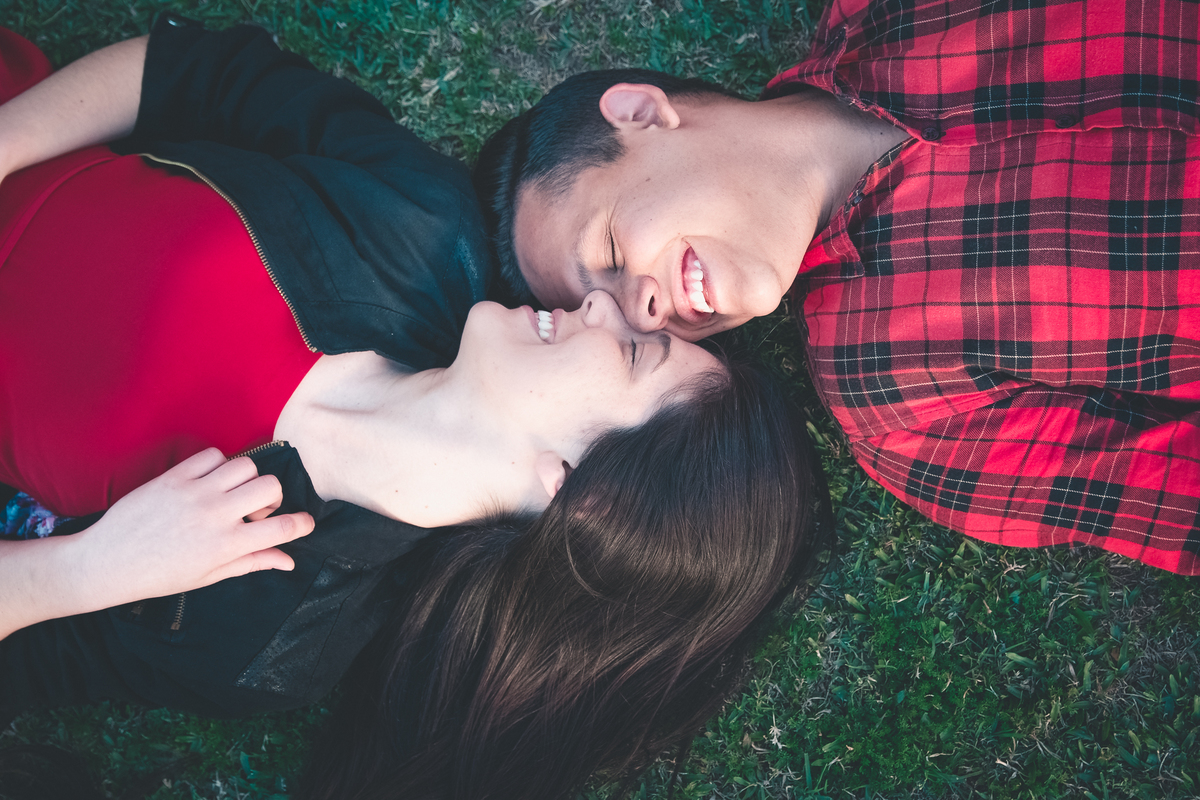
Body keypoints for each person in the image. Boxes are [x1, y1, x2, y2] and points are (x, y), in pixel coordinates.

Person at [0, 18, 832, 800]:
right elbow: (196, 72)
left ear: (580, 493)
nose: (602, 306)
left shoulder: (273, 634)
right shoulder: (417, 220)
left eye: (635, 353)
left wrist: (83, 573)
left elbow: (24, 668)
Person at [474, 0, 1200, 574]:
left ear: (640, 114)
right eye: (622, 322)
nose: (643, 308)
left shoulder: (893, 11)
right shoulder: (898, 407)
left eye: (607, 249)